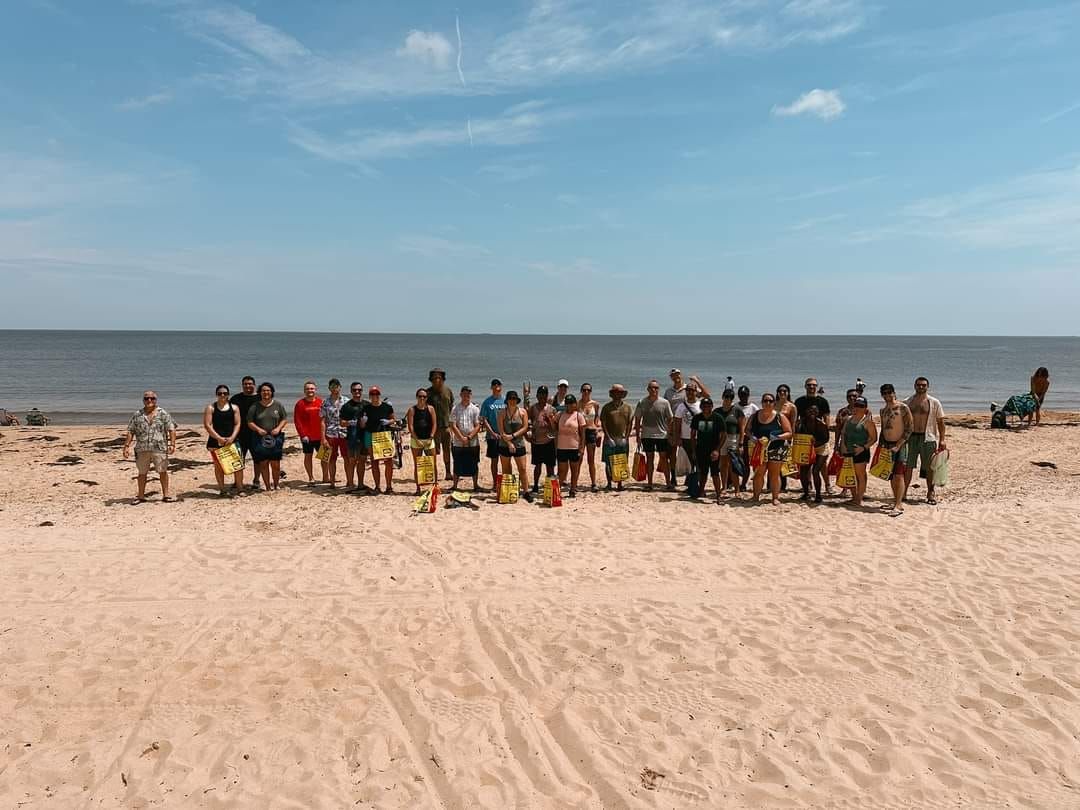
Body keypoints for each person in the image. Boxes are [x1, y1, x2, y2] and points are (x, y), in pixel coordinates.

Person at [123, 390, 177, 503]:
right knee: (142, 473)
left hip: (159, 448)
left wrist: (172, 444)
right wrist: (126, 446)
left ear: (156, 400)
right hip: (142, 449)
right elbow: (130, 431)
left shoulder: (163, 413)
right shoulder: (137, 414)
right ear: (143, 400)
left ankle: (166, 495)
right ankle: (141, 496)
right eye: (147, 398)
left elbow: (171, 428)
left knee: (162, 471)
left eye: (152, 398)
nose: (149, 400)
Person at [904, 377, 947, 505]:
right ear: (914, 386)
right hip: (911, 437)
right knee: (907, 466)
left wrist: (942, 439)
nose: (921, 387)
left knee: (930, 467)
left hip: (928, 437)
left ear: (928, 386)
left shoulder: (934, 402)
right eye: (918, 385)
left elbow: (941, 422)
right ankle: (904, 492)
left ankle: (930, 492)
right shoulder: (907, 402)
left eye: (923, 385)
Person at [748, 392, 793, 505]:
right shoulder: (755, 416)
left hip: (776, 448)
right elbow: (747, 430)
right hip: (760, 448)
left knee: (774, 474)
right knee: (759, 474)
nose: (768, 403)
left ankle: (775, 497)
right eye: (765, 401)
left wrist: (777, 437)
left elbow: (789, 433)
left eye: (770, 401)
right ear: (762, 403)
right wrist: (752, 437)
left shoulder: (779, 416)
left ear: (774, 403)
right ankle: (755, 496)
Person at [879, 383, 914, 517]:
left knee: (899, 475)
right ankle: (895, 500)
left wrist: (899, 445)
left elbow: (909, 428)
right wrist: (882, 445)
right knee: (891, 475)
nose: (887, 395)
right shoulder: (883, 411)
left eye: (889, 392)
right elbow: (883, 429)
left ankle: (898, 504)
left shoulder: (903, 408)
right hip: (887, 445)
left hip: (900, 445)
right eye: (885, 393)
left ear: (894, 392)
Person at [633, 379, 675, 491]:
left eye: (656, 388)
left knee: (664, 459)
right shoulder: (642, 402)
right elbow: (637, 419)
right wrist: (638, 435)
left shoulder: (665, 402)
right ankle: (650, 483)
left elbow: (671, 419)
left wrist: (669, 432)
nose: (653, 389)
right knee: (649, 459)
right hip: (647, 436)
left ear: (658, 389)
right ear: (648, 389)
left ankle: (668, 483)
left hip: (662, 436)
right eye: (651, 387)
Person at [203, 384, 244, 496]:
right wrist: (219, 438)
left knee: (237, 466)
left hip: (232, 440)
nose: (222, 395)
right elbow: (207, 425)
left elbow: (238, 423)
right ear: (216, 394)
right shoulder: (211, 408)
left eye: (225, 393)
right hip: (215, 441)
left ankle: (240, 489)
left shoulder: (234, 407)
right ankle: (222, 489)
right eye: (220, 393)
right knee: (219, 466)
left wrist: (232, 438)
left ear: (228, 395)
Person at [247, 382, 287, 491]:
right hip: (260, 438)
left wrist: (278, 428)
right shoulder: (255, 406)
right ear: (260, 392)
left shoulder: (278, 405)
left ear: (272, 392)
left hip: (275, 437)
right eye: (263, 390)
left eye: (268, 390)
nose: (266, 392)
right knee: (263, 463)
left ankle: (276, 485)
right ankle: (268, 487)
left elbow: (284, 419)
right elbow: (249, 422)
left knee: (275, 463)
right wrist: (258, 429)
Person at [795, 378, 831, 494]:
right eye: (809, 385)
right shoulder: (800, 401)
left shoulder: (822, 401)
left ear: (817, 387)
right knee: (805, 464)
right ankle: (808, 486)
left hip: (820, 437)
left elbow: (827, 419)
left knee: (821, 465)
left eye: (814, 385)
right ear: (805, 386)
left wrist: (826, 432)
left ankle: (827, 484)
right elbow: (796, 420)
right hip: (805, 438)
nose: (811, 387)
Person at [839, 396, 877, 507]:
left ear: (865, 408)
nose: (858, 408)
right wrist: (842, 446)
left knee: (860, 475)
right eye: (856, 405)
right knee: (851, 475)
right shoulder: (848, 419)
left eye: (861, 406)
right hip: (848, 451)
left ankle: (859, 499)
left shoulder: (867, 422)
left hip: (861, 452)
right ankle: (854, 497)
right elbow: (843, 433)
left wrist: (863, 447)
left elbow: (874, 438)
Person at [496, 390, 534, 501]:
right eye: (510, 399)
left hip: (519, 443)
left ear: (517, 400)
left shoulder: (522, 412)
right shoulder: (502, 413)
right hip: (504, 444)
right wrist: (508, 442)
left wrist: (512, 436)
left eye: (514, 399)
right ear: (507, 400)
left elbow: (525, 427)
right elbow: (501, 431)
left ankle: (526, 491)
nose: (512, 401)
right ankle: (510, 490)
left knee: (522, 469)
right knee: (506, 469)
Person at [673, 380, 710, 484]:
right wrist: (678, 438)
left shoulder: (700, 406)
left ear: (696, 392)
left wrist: (704, 436)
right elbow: (677, 423)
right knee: (688, 461)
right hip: (685, 438)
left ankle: (696, 482)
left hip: (698, 438)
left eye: (692, 390)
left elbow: (704, 421)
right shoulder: (681, 406)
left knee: (698, 461)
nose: (689, 392)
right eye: (688, 390)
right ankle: (690, 481)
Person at [689, 397, 725, 502]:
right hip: (701, 450)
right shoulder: (697, 418)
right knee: (703, 472)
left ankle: (718, 495)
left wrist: (717, 450)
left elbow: (724, 435)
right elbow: (692, 435)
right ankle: (701, 491)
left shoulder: (717, 418)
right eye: (704, 406)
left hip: (713, 450)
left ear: (711, 406)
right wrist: (694, 451)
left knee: (715, 473)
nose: (706, 408)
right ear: (701, 407)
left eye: (708, 405)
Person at [449, 385, 482, 491]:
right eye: (464, 394)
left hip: (472, 442)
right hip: (458, 442)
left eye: (468, 394)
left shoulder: (475, 409)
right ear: (460, 395)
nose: (466, 396)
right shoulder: (455, 408)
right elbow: (453, 425)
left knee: (474, 463)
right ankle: (455, 485)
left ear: (470, 395)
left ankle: (475, 485)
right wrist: (461, 438)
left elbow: (478, 425)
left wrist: (468, 438)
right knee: (457, 463)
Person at [364, 386, 396, 494]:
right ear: (369, 396)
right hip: (371, 435)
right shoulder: (366, 408)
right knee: (374, 461)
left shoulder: (387, 407)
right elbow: (362, 424)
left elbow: (393, 419)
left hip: (384, 436)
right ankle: (377, 486)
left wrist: (388, 421)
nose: (375, 396)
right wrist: (363, 421)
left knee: (388, 461)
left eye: (376, 394)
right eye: (372, 394)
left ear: (379, 395)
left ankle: (389, 486)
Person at [600, 384, 633, 491]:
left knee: (621, 462)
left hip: (622, 439)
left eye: (619, 392)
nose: (617, 394)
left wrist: (626, 438)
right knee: (608, 463)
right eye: (615, 392)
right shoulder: (606, 407)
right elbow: (603, 424)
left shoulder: (628, 407)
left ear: (622, 394)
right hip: (609, 439)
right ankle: (609, 483)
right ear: (612, 394)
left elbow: (629, 424)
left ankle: (619, 484)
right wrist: (608, 438)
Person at [795, 404, 830, 503]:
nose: (812, 413)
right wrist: (796, 427)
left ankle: (818, 495)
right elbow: (797, 435)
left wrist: (815, 443)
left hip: (821, 448)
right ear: (806, 412)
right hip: (807, 447)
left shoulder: (821, 424)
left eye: (815, 411)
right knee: (803, 471)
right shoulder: (802, 422)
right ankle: (806, 493)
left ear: (818, 413)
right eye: (810, 411)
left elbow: (826, 439)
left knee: (815, 471)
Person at [407, 387, 438, 495]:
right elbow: (410, 426)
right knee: (418, 465)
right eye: (420, 396)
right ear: (417, 397)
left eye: (424, 397)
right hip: (416, 441)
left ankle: (435, 486)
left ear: (426, 398)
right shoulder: (412, 410)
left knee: (433, 464)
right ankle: (418, 488)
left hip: (429, 440)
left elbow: (434, 424)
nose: (422, 398)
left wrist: (431, 437)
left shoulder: (430, 409)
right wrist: (416, 439)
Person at [338, 382, 368, 492]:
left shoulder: (366, 405)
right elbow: (341, 422)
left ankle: (360, 484)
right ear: (351, 391)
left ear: (362, 391)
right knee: (352, 461)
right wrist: (350, 423)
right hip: (352, 437)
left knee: (362, 461)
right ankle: (350, 484)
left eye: (359, 390)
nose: (357, 392)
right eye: (355, 390)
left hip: (364, 437)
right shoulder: (347, 406)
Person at [426, 368, 455, 480]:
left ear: (443, 379)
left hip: (446, 427)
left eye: (439, 378)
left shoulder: (448, 391)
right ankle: (433, 473)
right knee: (432, 452)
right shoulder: (427, 393)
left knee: (447, 451)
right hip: (433, 428)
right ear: (431, 380)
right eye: (434, 378)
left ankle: (448, 472)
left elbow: (451, 406)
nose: (437, 380)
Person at [293, 380, 324, 485]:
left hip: (321, 435)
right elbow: (297, 421)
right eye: (307, 389)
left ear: (315, 390)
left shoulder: (321, 402)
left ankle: (326, 477)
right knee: (308, 456)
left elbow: (326, 419)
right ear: (304, 390)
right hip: (308, 437)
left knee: (324, 457)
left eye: (312, 388)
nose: (310, 390)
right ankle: (311, 477)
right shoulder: (300, 404)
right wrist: (303, 435)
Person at [527, 384, 557, 492]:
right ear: (537, 395)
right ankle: (535, 485)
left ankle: (549, 486)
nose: (542, 397)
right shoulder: (533, 408)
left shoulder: (552, 409)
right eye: (540, 394)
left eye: (544, 394)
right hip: (537, 442)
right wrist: (529, 434)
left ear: (547, 396)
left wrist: (549, 420)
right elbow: (528, 422)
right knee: (537, 466)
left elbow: (555, 428)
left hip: (549, 441)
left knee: (550, 467)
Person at [556, 394, 587, 497]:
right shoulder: (560, 414)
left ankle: (572, 489)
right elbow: (554, 427)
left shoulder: (579, 416)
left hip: (574, 447)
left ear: (575, 404)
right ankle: (558, 490)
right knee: (562, 471)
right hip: (562, 447)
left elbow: (583, 434)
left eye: (571, 403)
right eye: (567, 403)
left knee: (575, 470)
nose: (569, 405)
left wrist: (581, 447)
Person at [715, 389, 745, 493]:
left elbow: (742, 429)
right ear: (722, 397)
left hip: (733, 439)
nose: (728, 399)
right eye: (726, 397)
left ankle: (737, 489)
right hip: (721, 438)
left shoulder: (737, 411)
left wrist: (740, 443)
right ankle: (724, 487)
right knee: (723, 464)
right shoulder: (717, 411)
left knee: (733, 464)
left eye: (730, 397)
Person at [320, 379, 346, 488]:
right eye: (332, 386)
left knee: (347, 458)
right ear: (329, 388)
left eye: (336, 386)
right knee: (329, 458)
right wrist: (323, 438)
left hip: (344, 433)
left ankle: (349, 481)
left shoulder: (346, 401)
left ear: (340, 387)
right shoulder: (325, 402)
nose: (335, 388)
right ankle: (331, 482)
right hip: (330, 433)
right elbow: (322, 421)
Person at [480, 379, 506, 489]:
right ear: (491, 387)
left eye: (498, 384)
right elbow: (484, 420)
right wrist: (492, 433)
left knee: (505, 461)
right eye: (494, 385)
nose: (496, 386)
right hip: (492, 436)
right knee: (494, 461)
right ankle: (495, 484)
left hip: (504, 436)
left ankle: (504, 483)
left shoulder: (505, 401)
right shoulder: (487, 402)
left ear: (501, 387)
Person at [833, 389, 859, 495]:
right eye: (849, 396)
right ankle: (845, 488)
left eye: (854, 396)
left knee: (858, 467)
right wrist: (836, 444)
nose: (852, 398)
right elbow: (838, 429)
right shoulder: (842, 412)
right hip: (845, 443)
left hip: (859, 443)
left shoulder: (864, 411)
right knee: (846, 466)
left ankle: (859, 489)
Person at [229, 376, 259, 464]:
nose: (247, 386)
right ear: (242, 385)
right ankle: (239, 478)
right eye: (245, 384)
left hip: (256, 433)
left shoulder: (260, 398)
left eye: (250, 384)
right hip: (239, 434)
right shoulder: (235, 398)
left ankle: (256, 478)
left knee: (258, 460)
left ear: (254, 385)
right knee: (238, 460)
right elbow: (229, 415)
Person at [579, 383, 602, 492]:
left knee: (591, 460)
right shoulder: (577, 404)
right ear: (581, 391)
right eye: (584, 390)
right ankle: (575, 482)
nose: (586, 392)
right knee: (578, 458)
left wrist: (597, 429)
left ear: (591, 391)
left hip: (591, 431)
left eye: (588, 390)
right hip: (580, 432)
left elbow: (597, 417)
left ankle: (593, 483)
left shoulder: (595, 404)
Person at [737, 385, 757, 493]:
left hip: (749, 438)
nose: (743, 397)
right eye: (741, 395)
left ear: (748, 395)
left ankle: (744, 484)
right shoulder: (735, 407)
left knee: (749, 462)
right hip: (738, 438)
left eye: (745, 395)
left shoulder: (754, 408)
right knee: (737, 462)